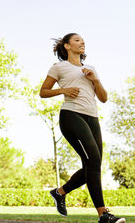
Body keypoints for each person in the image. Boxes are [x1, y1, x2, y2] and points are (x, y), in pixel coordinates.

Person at [40, 33, 125, 223]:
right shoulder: (59, 67)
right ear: (67, 46)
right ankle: (103, 215)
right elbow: (43, 92)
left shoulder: (90, 69)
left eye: (83, 40)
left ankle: (59, 192)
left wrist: (95, 80)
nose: (82, 42)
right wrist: (63, 90)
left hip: (92, 118)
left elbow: (103, 98)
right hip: (71, 115)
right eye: (77, 40)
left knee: (93, 165)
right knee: (93, 161)